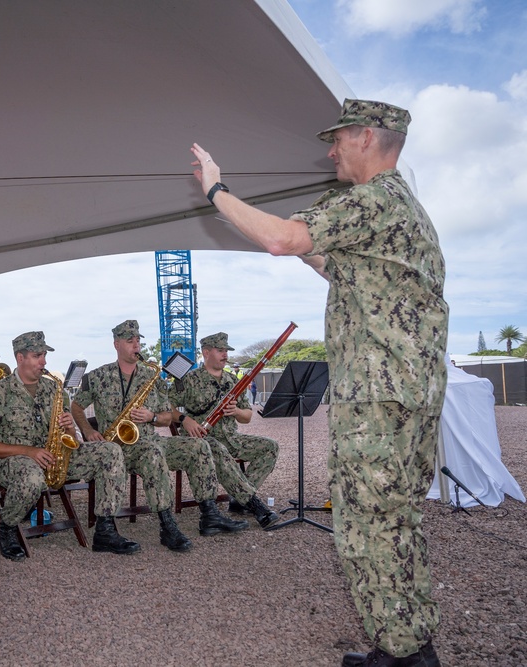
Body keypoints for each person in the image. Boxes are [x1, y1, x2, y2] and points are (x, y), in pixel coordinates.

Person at [191, 99, 448, 667]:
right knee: (392, 521)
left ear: (363, 137)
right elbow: (337, 266)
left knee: (369, 525)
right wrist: (311, 251)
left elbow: (283, 239)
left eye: (337, 140)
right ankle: (402, 643)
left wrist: (216, 191)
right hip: (402, 397)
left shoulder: (373, 200)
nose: (329, 151)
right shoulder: (400, 209)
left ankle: (407, 655)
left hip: (379, 403)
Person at [70, 320, 244, 553]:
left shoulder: (152, 376)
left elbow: (167, 416)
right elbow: (76, 407)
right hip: (117, 447)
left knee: (199, 446)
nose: (136, 346)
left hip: (150, 439)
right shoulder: (97, 376)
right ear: (116, 344)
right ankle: (166, 524)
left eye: (138, 341)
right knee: (152, 454)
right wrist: (88, 431)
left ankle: (210, 514)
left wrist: (151, 417)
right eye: (130, 341)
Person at [0, 331, 140, 560]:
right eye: (37, 356)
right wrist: (28, 451)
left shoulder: (54, 389)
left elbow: (69, 435)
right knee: (32, 478)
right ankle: (8, 527)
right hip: (16, 461)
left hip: (55, 456)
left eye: (44, 355)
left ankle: (105, 529)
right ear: (20, 358)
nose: (43, 362)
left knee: (110, 451)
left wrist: (69, 428)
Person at [170, 332, 280, 528]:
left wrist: (236, 411)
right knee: (217, 449)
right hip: (202, 441)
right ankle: (254, 505)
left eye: (226, 351)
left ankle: (239, 499)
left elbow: (247, 416)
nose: (225, 355)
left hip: (231, 438)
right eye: (220, 351)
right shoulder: (189, 380)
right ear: (206, 352)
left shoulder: (233, 380)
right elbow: (164, 407)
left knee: (270, 447)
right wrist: (184, 420)